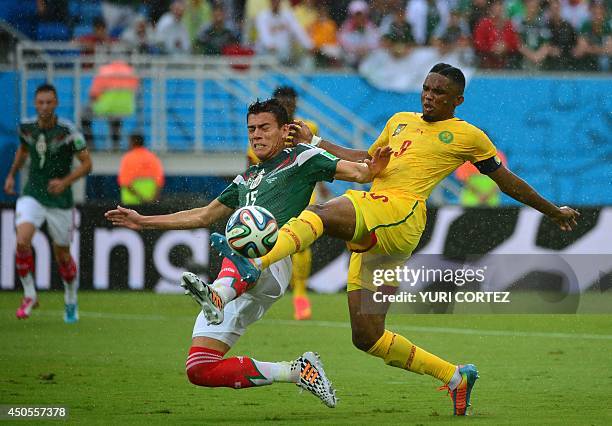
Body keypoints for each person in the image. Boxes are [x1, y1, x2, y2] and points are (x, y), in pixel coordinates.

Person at [208, 63, 581, 416]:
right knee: (367, 336)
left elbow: (506, 180)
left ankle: (252, 263)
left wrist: (551, 210)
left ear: (457, 100)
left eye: (439, 92)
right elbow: (368, 161)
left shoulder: (469, 135)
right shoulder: (399, 121)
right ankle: (455, 376)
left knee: (319, 214)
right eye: (426, 88)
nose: (429, 96)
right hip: (377, 225)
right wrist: (316, 140)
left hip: (399, 215)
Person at [105, 98, 392, 407]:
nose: (256, 135)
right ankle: (297, 371)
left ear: (284, 130)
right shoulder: (246, 178)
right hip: (240, 276)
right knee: (200, 368)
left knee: (247, 232)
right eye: (251, 129)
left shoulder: (303, 157)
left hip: (273, 259)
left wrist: (370, 168)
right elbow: (203, 215)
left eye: (264, 128)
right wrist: (143, 221)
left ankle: (218, 295)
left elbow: (359, 173)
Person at [3, 83, 92, 323]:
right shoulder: (26, 128)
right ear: (35, 103)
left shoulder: (69, 132)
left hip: (60, 201)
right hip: (32, 192)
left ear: (56, 104)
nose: (44, 106)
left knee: (62, 255)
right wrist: (12, 174)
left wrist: (65, 182)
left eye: (49, 102)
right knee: (22, 241)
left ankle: (71, 298)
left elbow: (87, 164)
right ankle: (30, 294)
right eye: (40, 102)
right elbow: (23, 150)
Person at [246, 86, 319, 321]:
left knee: (302, 242)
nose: (288, 105)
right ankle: (259, 288)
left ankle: (300, 295)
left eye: (291, 101)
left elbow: (315, 156)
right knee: (267, 238)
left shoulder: (309, 127)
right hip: (274, 190)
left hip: (303, 190)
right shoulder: (266, 132)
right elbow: (253, 163)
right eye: (283, 101)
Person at [118, 133, 165, 205]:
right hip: (151, 203)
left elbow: (125, 182)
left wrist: (141, 198)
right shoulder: (152, 157)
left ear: (132, 142)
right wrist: (153, 199)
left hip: (131, 203)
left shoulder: (128, 158)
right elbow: (159, 181)